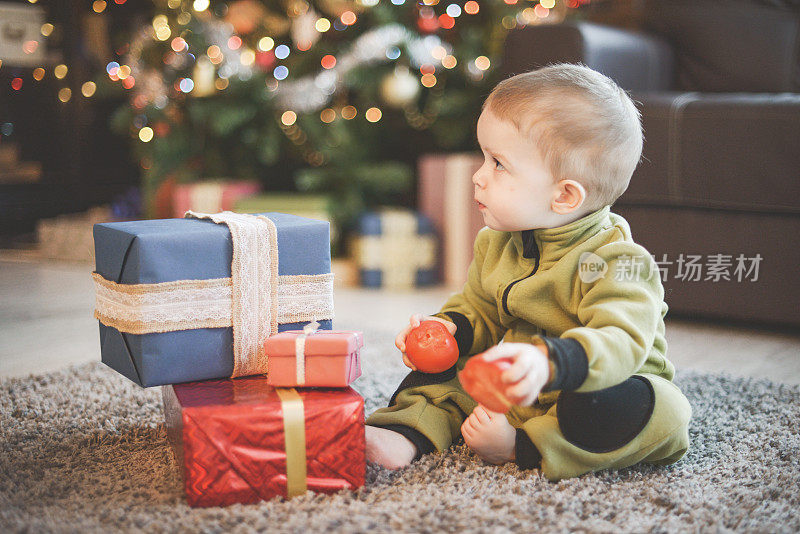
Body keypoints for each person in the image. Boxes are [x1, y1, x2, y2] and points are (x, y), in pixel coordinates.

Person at [364, 63, 692, 481]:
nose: (479, 177)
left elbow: (621, 342)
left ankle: (528, 445)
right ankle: (403, 432)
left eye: (498, 164)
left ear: (565, 196)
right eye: (484, 158)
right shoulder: (496, 242)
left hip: (585, 386)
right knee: (445, 371)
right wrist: (447, 329)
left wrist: (547, 364)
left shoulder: (618, 261)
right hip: (513, 383)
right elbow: (479, 309)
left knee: (658, 413)